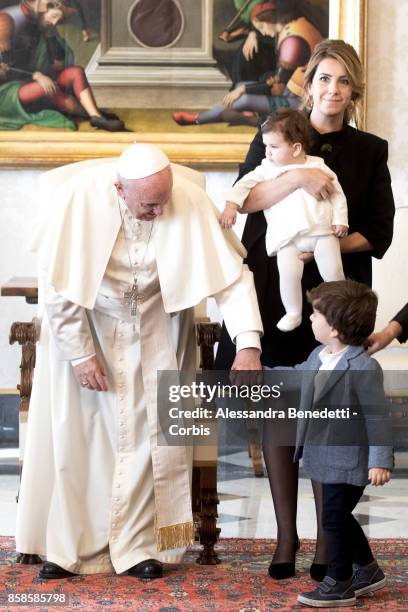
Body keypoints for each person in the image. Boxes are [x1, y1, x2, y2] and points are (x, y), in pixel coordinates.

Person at [15, 144, 263, 580]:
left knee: (152, 447)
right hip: (88, 331)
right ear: (119, 189)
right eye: (150, 203)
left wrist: (247, 343)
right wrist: (80, 355)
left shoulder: (184, 200)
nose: (160, 210)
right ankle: (71, 549)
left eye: (164, 199)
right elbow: (58, 284)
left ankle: (144, 549)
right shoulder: (79, 201)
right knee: (82, 443)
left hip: (158, 330)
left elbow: (232, 279)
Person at [215, 39, 395, 581]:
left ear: (353, 89)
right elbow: (244, 200)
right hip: (277, 289)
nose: (333, 90)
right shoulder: (277, 133)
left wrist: (324, 242)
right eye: (324, 79)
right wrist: (297, 177)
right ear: (309, 82)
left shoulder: (371, 149)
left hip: (337, 296)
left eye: (343, 81)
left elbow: (380, 231)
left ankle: (327, 539)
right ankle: (286, 536)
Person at [283, 280, 392, 607]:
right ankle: (369, 570)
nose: (311, 319)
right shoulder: (319, 355)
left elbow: (377, 418)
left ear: (335, 329)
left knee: (332, 517)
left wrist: (380, 460)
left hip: (350, 461)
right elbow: (297, 375)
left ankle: (339, 580)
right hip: (323, 456)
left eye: (316, 315)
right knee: (339, 515)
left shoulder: (363, 367)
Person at [220, 108, 347, 331]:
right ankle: (293, 312)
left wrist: (340, 220)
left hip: (322, 232)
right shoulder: (267, 168)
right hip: (288, 238)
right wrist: (231, 205)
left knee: (333, 271)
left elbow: (337, 194)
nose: (267, 152)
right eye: (266, 146)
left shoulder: (317, 165)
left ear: (296, 148)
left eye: (274, 147)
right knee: (288, 276)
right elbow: (243, 185)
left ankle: (340, 305)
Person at [173, 0, 323, 127]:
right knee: (239, 88)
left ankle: (197, 119)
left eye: (262, 27)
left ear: (270, 19)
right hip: (293, 91)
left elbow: (278, 88)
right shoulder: (293, 26)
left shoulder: (292, 41)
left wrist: (245, 89)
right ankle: (257, 119)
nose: (263, 33)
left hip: (302, 103)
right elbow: (284, 77)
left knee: (242, 97)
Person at [0, 1, 123, 131]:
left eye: (58, 21)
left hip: (37, 80)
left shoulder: (44, 29)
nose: (54, 23)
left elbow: (58, 65)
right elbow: (5, 69)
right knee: (47, 88)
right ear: (44, 10)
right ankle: (94, 115)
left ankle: (95, 116)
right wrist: (36, 75)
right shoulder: (11, 24)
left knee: (76, 72)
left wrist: (50, 36)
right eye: (53, 17)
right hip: (9, 90)